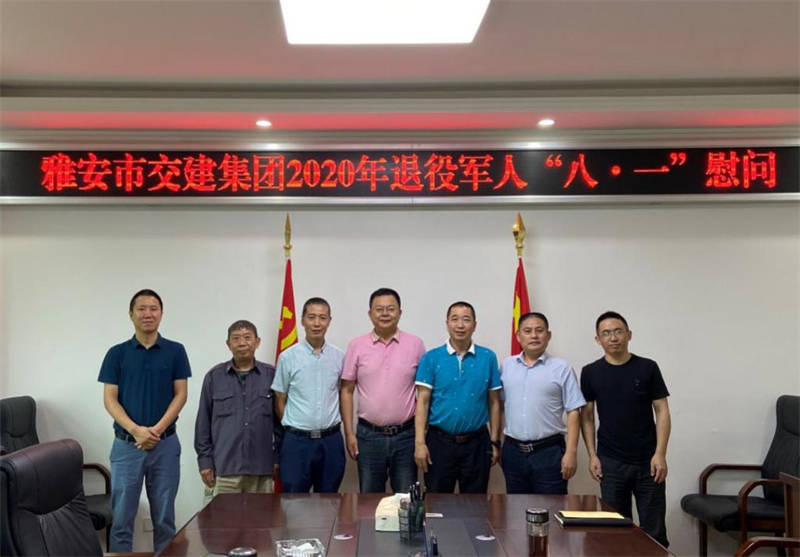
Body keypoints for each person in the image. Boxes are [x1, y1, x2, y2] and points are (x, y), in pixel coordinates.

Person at [98, 289, 191, 553]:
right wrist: (136, 430)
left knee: (164, 520)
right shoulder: (116, 353)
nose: (147, 314)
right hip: (126, 446)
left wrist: (156, 431)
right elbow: (110, 399)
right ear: (131, 314)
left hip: (165, 445)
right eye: (141, 308)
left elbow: (181, 395)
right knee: (121, 521)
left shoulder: (176, 351)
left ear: (161, 314)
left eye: (153, 308)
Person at [580, 310, 671, 548]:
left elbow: (662, 410)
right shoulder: (590, 372)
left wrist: (660, 454)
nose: (613, 338)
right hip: (610, 463)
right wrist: (592, 455)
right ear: (598, 339)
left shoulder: (648, 367)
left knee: (654, 533)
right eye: (606, 333)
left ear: (629, 334)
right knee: (615, 532)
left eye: (618, 331)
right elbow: (586, 416)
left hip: (648, 462)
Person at [340, 287, 425, 493]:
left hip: (406, 436)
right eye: (379, 309)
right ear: (370, 314)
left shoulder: (415, 344)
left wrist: (421, 437)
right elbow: (347, 391)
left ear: (400, 313)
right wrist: (349, 433)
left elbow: (424, 394)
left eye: (390, 309)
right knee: (369, 500)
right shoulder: (356, 345)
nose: (385, 313)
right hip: (369, 436)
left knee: (405, 500)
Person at [414, 301, 502, 493]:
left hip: (477, 443)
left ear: (474, 325)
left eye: (466, 320)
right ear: (447, 324)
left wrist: (495, 441)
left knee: (475, 503)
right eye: (455, 319)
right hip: (439, 442)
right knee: (436, 501)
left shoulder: (488, 357)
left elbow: (495, 402)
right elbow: (422, 402)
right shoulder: (431, 358)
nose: (460, 325)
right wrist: (419, 443)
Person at [499, 312, 585, 494]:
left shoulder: (561, 368)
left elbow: (574, 411)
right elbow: (498, 406)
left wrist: (571, 453)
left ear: (548, 335)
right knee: (514, 507)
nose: (534, 335)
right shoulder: (506, 366)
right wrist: (498, 443)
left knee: (551, 507)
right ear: (518, 336)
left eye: (539, 330)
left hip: (549, 452)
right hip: (513, 452)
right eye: (527, 331)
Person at [194, 320, 279, 503]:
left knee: (261, 520)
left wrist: (277, 458)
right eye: (236, 338)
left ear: (257, 342)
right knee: (221, 521)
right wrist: (205, 462)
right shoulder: (214, 377)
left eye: (247, 337)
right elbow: (203, 424)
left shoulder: (271, 375)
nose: (242, 343)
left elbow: (280, 423)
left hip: (261, 469)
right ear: (228, 344)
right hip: (224, 468)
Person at [271, 297, 345, 493]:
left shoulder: (339, 357)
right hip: (297, 442)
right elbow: (280, 398)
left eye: (322, 317)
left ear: (329, 321)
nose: (317, 323)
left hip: (330, 441)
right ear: (302, 320)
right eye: (311, 317)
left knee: (329, 501)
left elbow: (342, 392)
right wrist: (294, 425)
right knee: (294, 502)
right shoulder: (288, 357)